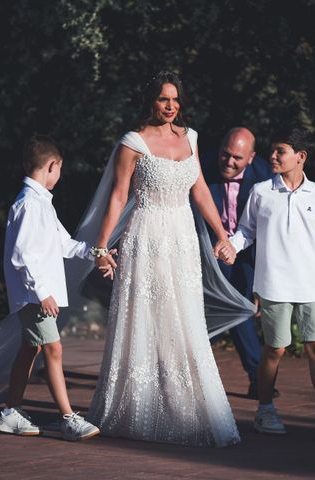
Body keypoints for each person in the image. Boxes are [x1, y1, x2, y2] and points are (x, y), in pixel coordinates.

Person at [86, 71, 241, 447]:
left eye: (175, 99)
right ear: (150, 101)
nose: (170, 106)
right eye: (162, 99)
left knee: (184, 320)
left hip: (183, 239)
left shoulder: (191, 138)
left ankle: (187, 411)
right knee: (147, 320)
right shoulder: (133, 143)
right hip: (147, 237)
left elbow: (200, 189)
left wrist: (222, 237)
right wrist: (102, 247)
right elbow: (119, 197)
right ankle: (137, 410)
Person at [230, 128, 315, 442]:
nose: (273, 156)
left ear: (300, 157)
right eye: (273, 150)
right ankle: (265, 411)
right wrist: (230, 247)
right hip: (274, 284)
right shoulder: (261, 191)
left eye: (280, 151)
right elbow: (245, 232)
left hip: (312, 285)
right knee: (275, 348)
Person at [0, 135, 100, 441]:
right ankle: (68, 419)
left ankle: (10, 412)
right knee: (53, 349)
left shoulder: (42, 203)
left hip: (36, 295)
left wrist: (96, 253)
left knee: (32, 348)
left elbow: (64, 244)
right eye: (59, 169)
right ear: (52, 166)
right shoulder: (29, 204)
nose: (60, 175)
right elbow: (21, 254)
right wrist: (42, 292)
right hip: (33, 295)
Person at [201, 127, 278, 400]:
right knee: (226, 309)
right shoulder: (201, 167)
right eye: (226, 154)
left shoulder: (266, 179)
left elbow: (270, 233)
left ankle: (188, 364)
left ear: (251, 157)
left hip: (248, 252)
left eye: (237, 157)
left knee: (241, 309)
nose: (229, 162)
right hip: (208, 250)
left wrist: (262, 280)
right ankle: (258, 378)